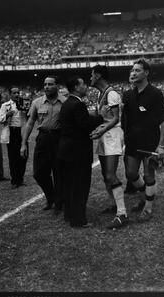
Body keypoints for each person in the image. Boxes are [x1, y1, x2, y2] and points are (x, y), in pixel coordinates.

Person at [122, 58, 164, 221]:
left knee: (149, 175)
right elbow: (125, 119)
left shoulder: (155, 93)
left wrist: (161, 145)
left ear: (146, 73)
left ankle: (148, 207)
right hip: (132, 141)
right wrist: (124, 137)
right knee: (131, 173)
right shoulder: (127, 95)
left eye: (137, 70)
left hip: (150, 140)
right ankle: (144, 197)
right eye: (132, 70)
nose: (133, 73)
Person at [58, 76, 103, 228]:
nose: (86, 86)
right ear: (77, 87)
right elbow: (86, 125)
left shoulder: (67, 103)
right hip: (77, 152)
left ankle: (70, 214)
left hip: (66, 150)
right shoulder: (77, 104)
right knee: (80, 186)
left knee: (70, 185)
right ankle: (78, 220)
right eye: (83, 84)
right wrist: (101, 117)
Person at [90, 65, 128, 229]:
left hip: (112, 135)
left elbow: (115, 118)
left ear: (98, 75)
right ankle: (114, 205)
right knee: (106, 175)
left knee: (111, 174)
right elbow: (103, 117)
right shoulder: (101, 94)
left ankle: (122, 213)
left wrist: (101, 130)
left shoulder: (112, 93)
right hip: (105, 135)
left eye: (91, 75)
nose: (90, 78)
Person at [20, 76, 66, 212]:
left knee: (59, 173)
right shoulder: (37, 102)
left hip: (59, 139)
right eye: (45, 84)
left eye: (50, 84)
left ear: (57, 86)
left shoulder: (65, 102)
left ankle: (59, 202)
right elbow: (30, 123)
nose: (46, 87)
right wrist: (23, 143)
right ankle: (51, 197)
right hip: (43, 139)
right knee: (39, 173)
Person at [0, 86, 28, 189]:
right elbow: (1, 120)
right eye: (14, 93)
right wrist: (7, 114)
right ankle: (14, 180)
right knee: (13, 157)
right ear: (10, 94)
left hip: (23, 132)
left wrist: (25, 109)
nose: (16, 95)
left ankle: (21, 178)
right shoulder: (5, 105)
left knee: (23, 156)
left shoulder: (24, 104)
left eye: (17, 93)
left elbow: (29, 117)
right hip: (12, 132)